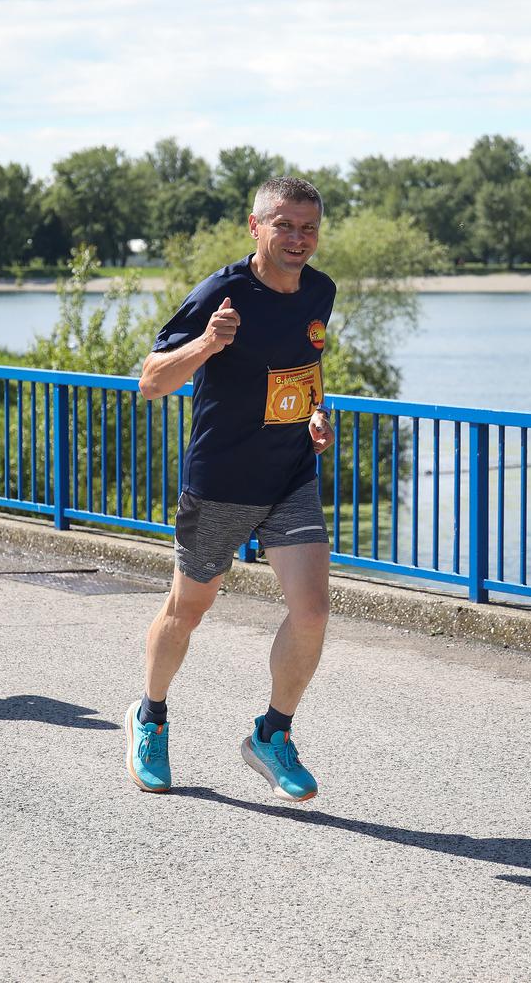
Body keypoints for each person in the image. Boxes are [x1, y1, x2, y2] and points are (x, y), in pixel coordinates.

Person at [127, 176, 336, 802]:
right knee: (187, 610)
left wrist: (316, 412)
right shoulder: (222, 293)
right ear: (255, 226)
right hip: (222, 482)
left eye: (308, 227)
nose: (297, 238)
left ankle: (271, 734)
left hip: (291, 474)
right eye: (284, 225)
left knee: (312, 611)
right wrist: (207, 342)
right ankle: (150, 717)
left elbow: (306, 366)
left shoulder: (320, 291)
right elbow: (151, 381)